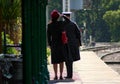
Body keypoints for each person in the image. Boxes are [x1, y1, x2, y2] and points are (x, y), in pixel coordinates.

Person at [47, 10, 67, 80]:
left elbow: (48, 36)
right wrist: (63, 16)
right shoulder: (61, 23)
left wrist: (50, 44)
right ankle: (61, 75)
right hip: (61, 44)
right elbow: (67, 21)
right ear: (58, 17)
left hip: (54, 44)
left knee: (55, 61)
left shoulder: (49, 25)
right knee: (61, 60)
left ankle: (55, 75)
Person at [62, 11, 82, 79]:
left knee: (67, 60)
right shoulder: (73, 24)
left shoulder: (62, 24)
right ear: (69, 16)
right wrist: (79, 43)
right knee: (70, 60)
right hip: (73, 44)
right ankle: (69, 74)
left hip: (65, 44)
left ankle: (69, 74)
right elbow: (78, 34)